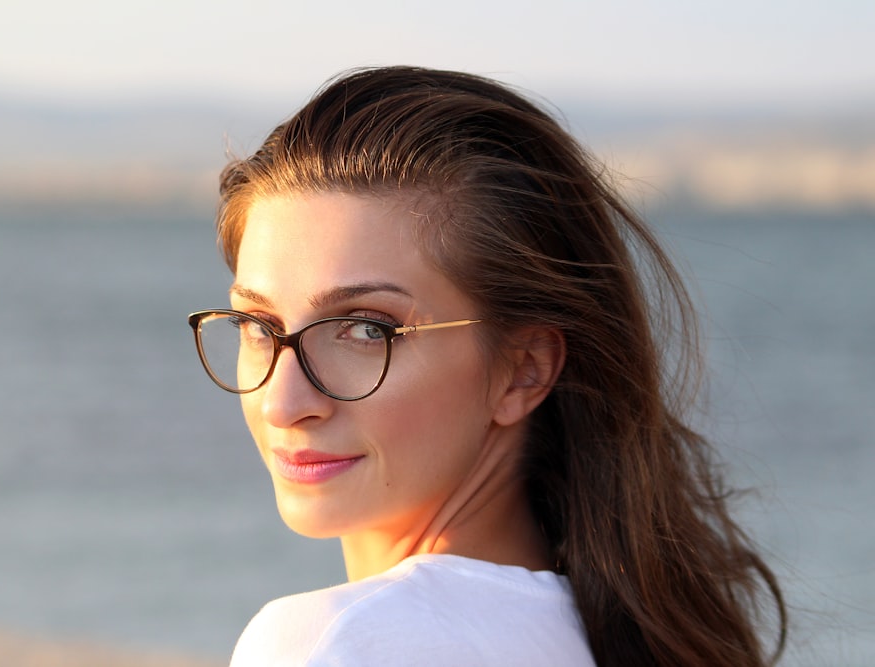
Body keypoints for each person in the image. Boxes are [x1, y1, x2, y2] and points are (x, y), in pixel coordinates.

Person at [187, 66, 786, 666]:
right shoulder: (606, 638)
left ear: (524, 370)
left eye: (368, 329)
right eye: (257, 327)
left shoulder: (340, 641)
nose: (282, 404)